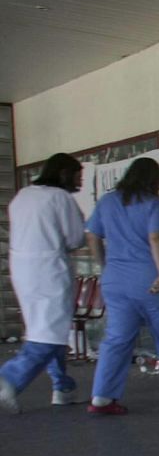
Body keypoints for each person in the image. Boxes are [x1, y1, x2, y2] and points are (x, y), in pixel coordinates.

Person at [84, 157, 159, 414]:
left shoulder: (107, 202)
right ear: (154, 180)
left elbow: (92, 234)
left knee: (116, 340)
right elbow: (156, 237)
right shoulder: (154, 205)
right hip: (148, 280)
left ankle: (102, 397)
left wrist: (104, 266)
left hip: (114, 280)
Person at [0, 154, 88, 413]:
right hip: (49, 270)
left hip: (23, 270)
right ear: (63, 173)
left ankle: (63, 386)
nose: (79, 181)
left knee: (45, 328)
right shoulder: (60, 198)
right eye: (77, 176)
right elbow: (74, 239)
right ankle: (10, 378)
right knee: (49, 335)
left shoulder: (23, 195)